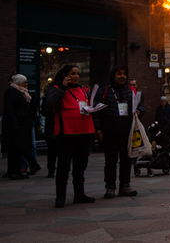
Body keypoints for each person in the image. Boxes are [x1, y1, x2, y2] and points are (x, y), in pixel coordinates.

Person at [45, 66, 96, 207]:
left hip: (84, 133)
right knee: (63, 167)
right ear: (64, 75)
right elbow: (51, 104)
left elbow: (88, 105)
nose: (77, 76)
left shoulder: (83, 89)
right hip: (66, 134)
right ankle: (60, 197)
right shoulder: (56, 89)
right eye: (73, 74)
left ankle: (79, 194)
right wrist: (62, 88)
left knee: (80, 167)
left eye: (78, 73)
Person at [92, 66, 145, 198]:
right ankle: (110, 187)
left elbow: (140, 105)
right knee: (110, 161)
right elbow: (96, 111)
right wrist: (97, 128)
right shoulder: (104, 91)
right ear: (113, 75)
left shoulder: (131, 90)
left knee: (127, 160)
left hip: (127, 132)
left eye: (124, 74)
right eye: (119, 74)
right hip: (110, 132)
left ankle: (125, 186)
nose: (122, 76)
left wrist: (140, 111)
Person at [2, 74, 42, 180]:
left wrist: (35, 119)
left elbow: (26, 109)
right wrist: (15, 124)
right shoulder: (12, 92)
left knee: (18, 149)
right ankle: (14, 172)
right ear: (19, 82)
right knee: (15, 149)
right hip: (16, 126)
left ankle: (16, 171)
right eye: (24, 82)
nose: (26, 84)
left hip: (22, 125)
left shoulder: (22, 93)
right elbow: (10, 110)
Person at [41, 79, 59, 178]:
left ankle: (54, 169)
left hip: (56, 126)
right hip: (52, 126)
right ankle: (51, 170)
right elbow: (44, 111)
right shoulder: (48, 98)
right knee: (52, 150)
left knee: (55, 150)